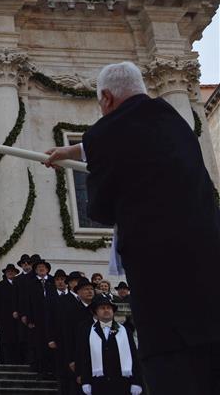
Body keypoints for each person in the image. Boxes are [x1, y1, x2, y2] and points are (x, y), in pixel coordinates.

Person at [45, 61, 220, 395]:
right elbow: (128, 135)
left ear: (107, 98)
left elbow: (101, 209)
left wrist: (91, 157)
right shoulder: (172, 118)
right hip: (209, 275)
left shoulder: (105, 133)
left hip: (161, 282)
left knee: (174, 370)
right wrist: (79, 149)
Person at [76, 296, 143, 395]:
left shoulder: (124, 330)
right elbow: (85, 357)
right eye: (102, 308)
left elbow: (134, 355)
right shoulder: (88, 332)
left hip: (122, 382)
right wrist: (86, 381)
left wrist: (137, 381)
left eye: (108, 308)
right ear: (96, 312)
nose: (106, 310)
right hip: (99, 382)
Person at [23, 259, 57, 378]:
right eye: (38, 267)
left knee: (52, 343)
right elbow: (27, 302)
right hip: (37, 319)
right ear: (36, 271)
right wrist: (29, 319)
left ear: (47, 269)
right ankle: (41, 370)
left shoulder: (53, 281)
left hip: (52, 319)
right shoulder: (31, 283)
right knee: (39, 345)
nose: (41, 269)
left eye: (43, 267)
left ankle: (52, 369)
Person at [62, 278, 96, 395]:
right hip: (79, 354)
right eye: (86, 289)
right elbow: (68, 336)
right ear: (79, 292)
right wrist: (71, 359)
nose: (90, 291)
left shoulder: (98, 309)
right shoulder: (71, 310)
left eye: (91, 289)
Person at [0, 263, 21, 364]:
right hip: (4, 318)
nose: (10, 273)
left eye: (12, 271)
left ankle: (17, 361)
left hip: (17, 318)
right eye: (8, 271)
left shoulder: (19, 284)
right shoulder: (0, 285)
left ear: (15, 273)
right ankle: (6, 361)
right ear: (5, 273)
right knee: (5, 341)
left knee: (18, 340)